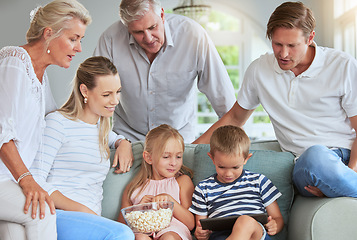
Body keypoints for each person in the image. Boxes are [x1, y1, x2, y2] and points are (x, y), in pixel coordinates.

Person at [194, 1, 357, 198]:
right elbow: (234, 118)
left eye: (292, 45)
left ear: (310, 38)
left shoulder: (342, 65)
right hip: (305, 165)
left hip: (347, 157)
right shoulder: (259, 70)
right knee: (315, 156)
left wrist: (348, 174)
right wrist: (190, 149)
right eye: (277, 44)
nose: (284, 53)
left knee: (321, 158)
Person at [0, 0, 91, 239]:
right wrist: (27, 180)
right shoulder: (15, 62)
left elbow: (57, 119)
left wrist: (116, 139)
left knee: (15, 233)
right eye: (74, 38)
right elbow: (2, 132)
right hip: (3, 179)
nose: (79, 48)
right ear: (49, 33)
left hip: (10, 181)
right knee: (43, 211)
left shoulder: (40, 75)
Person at [93, 0, 236, 143]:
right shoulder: (110, 40)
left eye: (152, 27)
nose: (148, 38)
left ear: (162, 14)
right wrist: (116, 142)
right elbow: (93, 102)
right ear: (127, 27)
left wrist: (197, 148)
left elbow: (228, 108)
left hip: (180, 142)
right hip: (128, 142)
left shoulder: (193, 35)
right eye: (138, 32)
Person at [29, 56, 134, 239]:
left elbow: (116, 139)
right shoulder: (58, 123)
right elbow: (36, 179)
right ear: (85, 90)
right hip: (58, 215)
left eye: (117, 92)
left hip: (90, 221)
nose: (115, 100)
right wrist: (81, 209)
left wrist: (124, 143)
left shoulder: (102, 129)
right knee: (123, 234)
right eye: (106, 94)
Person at [190, 125, 284, 240]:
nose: (228, 174)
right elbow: (201, 226)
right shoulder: (203, 188)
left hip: (255, 234)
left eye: (235, 167)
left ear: (246, 159)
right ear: (212, 158)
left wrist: (275, 225)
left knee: (244, 221)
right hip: (220, 236)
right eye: (222, 167)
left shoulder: (259, 181)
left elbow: (277, 218)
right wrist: (201, 234)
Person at [119, 124, 195, 239]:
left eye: (178, 156)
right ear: (149, 158)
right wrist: (138, 209)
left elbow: (191, 223)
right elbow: (120, 226)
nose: (173, 163)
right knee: (140, 238)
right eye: (166, 157)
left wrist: (170, 201)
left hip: (173, 231)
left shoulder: (182, 182)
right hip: (143, 231)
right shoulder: (133, 188)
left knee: (168, 237)